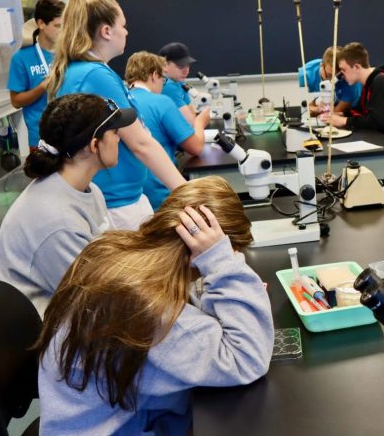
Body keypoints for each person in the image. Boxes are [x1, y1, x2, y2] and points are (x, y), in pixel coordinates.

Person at [36, 176, 274, 434]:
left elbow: (187, 318)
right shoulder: (151, 310)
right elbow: (247, 359)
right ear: (197, 255)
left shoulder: (115, 251)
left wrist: (223, 286)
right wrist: (223, 266)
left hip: (91, 418)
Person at [46, 0, 186, 230]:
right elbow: (140, 143)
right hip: (118, 204)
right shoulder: (96, 75)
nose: (127, 31)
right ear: (107, 31)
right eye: (123, 25)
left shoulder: (76, 70)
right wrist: (188, 193)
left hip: (111, 199)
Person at [0, 93, 135, 316]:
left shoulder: (89, 191)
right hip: (57, 332)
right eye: (115, 132)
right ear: (94, 145)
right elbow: (101, 304)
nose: (119, 139)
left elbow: (112, 261)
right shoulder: (58, 222)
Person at [125, 51, 211, 210]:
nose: (162, 84)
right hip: (161, 196)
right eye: (162, 80)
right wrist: (200, 122)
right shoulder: (161, 103)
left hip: (132, 195)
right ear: (153, 75)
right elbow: (195, 147)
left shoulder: (121, 101)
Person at [7, 0, 65, 149]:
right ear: (41, 24)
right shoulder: (21, 58)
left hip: (70, 133)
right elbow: (16, 101)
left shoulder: (68, 53)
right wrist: (43, 86)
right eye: (58, 26)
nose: (63, 31)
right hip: (40, 139)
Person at [323, 42, 384, 143]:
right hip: (377, 139)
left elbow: (380, 122)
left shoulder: (380, 81)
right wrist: (341, 114)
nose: (341, 75)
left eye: (343, 70)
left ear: (357, 67)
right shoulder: (368, 84)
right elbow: (360, 111)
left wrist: (344, 121)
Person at [298, 46, 362, 115]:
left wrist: (319, 110)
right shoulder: (306, 75)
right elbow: (306, 109)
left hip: (352, 111)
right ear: (321, 65)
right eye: (329, 75)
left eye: (337, 76)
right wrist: (317, 109)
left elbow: (338, 111)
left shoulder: (348, 78)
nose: (332, 80)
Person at [159, 41, 198, 125]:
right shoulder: (168, 86)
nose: (186, 71)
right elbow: (190, 122)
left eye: (188, 65)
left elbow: (192, 114)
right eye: (180, 66)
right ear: (164, 65)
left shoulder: (179, 82)